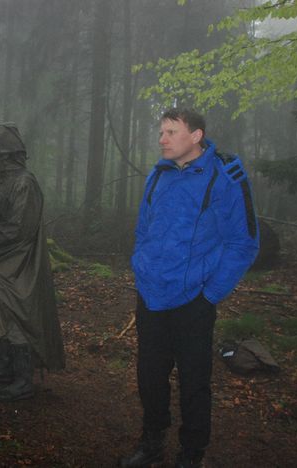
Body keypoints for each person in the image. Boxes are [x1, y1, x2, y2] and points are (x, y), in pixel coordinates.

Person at [122, 109, 259, 468]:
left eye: (171, 132)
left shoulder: (224, 176)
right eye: (161, 132)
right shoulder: (158, 174)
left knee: (194, 382)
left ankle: (191, 453)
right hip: (151, 295)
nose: (162, 139)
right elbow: (143, 228)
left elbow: (243, 243)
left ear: (196, 136)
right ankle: (152, 443)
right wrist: (141, 265)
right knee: (150, 376)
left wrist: (209, 294)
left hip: (193, 302)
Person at [0, 122, 65, 402]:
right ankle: (5, 368)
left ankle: (23, 380)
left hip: (19, 264)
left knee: (18, 315)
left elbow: (19, 228)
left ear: (3, 153)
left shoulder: (24, 183)